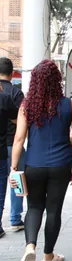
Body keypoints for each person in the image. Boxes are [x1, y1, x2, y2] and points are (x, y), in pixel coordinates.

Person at [9, 60, 72, 261]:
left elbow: (18, 138)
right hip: (61, 166)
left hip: (34, 165)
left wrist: (14, 167)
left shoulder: (27, 105)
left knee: (33, 207)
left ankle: (30, 247)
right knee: (53, 210)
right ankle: (48, 256)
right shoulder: (69, 104)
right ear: (57, 80)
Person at [0, 57, 25, 232]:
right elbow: (22, 120)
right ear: (11, 73)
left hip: (2, 146)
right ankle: (15, 218)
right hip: (14, 143)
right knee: (16, 180)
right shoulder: (17, 93)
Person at [0, 82, 18, 238]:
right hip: (3, 149)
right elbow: (17, 119)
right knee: (1, 190)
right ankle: (11, 221)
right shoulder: (4, 97)